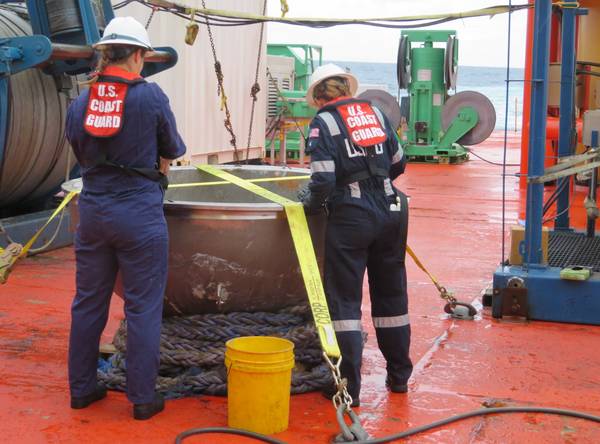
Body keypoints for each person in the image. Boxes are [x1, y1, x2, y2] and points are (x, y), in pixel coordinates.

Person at [65, 17, 186, 420]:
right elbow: (172, 148)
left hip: (94, 212)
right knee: (142, 308)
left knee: (88, 304)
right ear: (137, 55)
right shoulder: (150, 97)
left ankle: (82, 390)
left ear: (104, 53)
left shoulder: (80, 103)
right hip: (139, 214)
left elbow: (81, 151)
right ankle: (141, 399)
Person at [299, 64, 412, 406]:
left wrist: (310, 208)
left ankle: (348, 390)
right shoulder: (375, 113)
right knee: (392, 298)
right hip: (393, 211)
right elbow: (398, 163)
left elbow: (322, 179)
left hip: (351, 216)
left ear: (320, 97)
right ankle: (399, 379)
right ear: (347, 87)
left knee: (345, 303)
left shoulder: (324, 122)